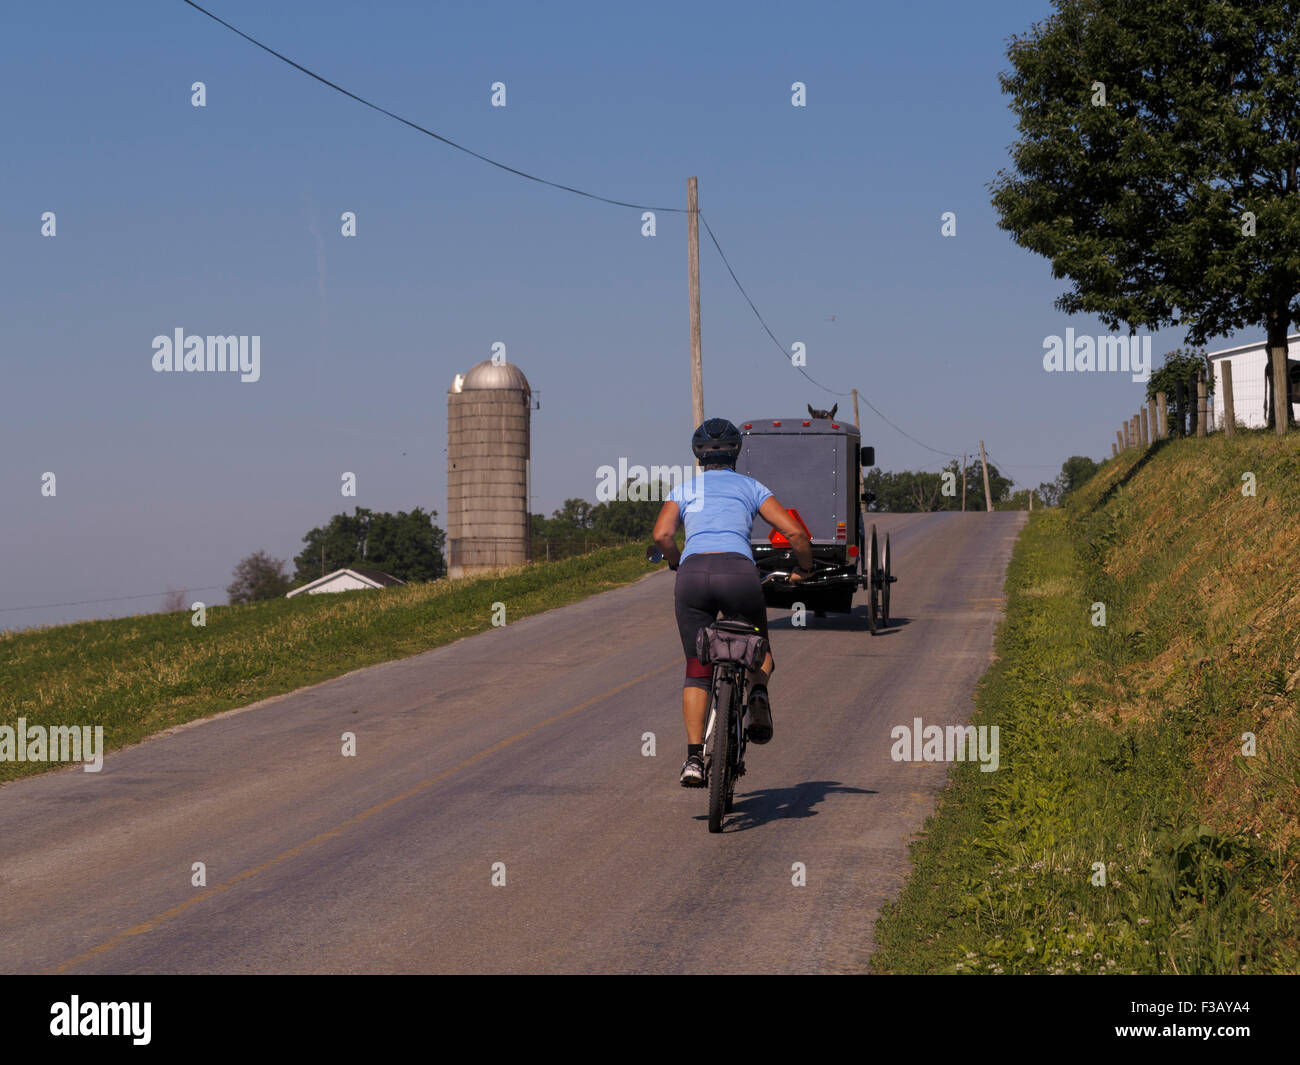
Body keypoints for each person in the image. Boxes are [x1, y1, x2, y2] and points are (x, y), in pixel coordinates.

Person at [651, 418, 815, 787]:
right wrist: (803, 569)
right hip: (739, 574)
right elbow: (794, 533)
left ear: (697, 455)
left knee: (697, 667)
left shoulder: (685, 488)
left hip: (693, 577)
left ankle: (693, 759)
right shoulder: (752, 487)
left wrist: (677, 561)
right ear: (736, 451)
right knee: (758, 648)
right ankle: (757, 693)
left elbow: (661, 535)